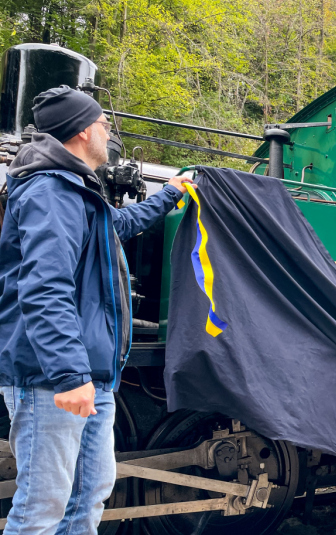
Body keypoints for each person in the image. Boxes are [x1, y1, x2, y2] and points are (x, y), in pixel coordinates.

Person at [0, 85, 194, 535]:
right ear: (84, 131)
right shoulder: (50, 191)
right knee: (42, 507)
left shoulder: (75, 190)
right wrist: (70, 374)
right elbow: (45, 289)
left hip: (90, 376)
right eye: (104, 123)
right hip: (54, 379)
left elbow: (116, 225)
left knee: (89, 494)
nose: (108, 132)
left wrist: (169, 195)